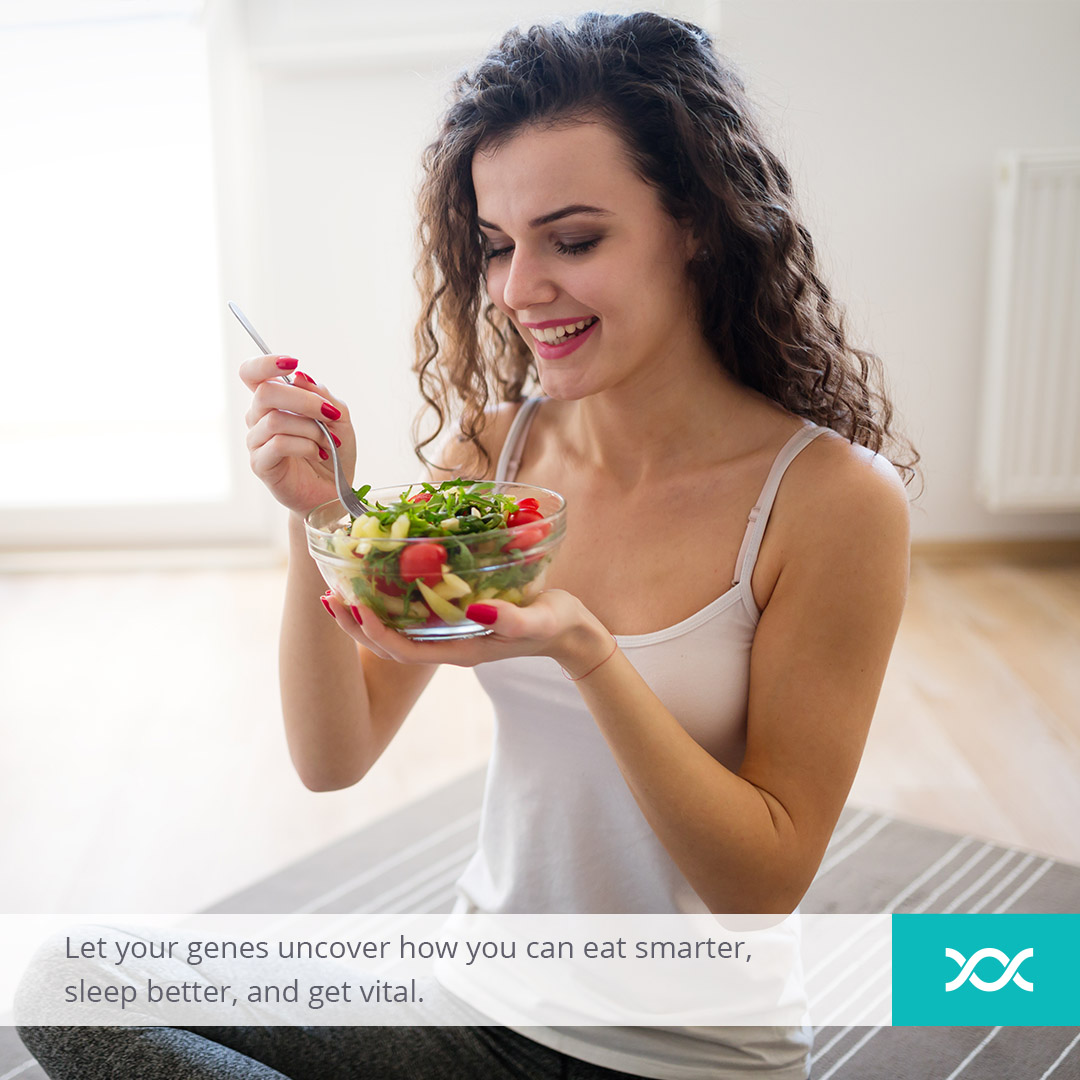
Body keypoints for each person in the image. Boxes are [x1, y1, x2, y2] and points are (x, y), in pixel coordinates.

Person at [16, 10, 918, 1080]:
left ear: (698, 225)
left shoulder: (829, 501)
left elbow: (760, 884)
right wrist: (320, 517)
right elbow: (333, 755)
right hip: (476, 1002)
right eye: (498, 244)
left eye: (573, 240)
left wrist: (584, 651)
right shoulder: (497, 446)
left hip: (678, 1056)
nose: (519, 289)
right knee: (68, 982)